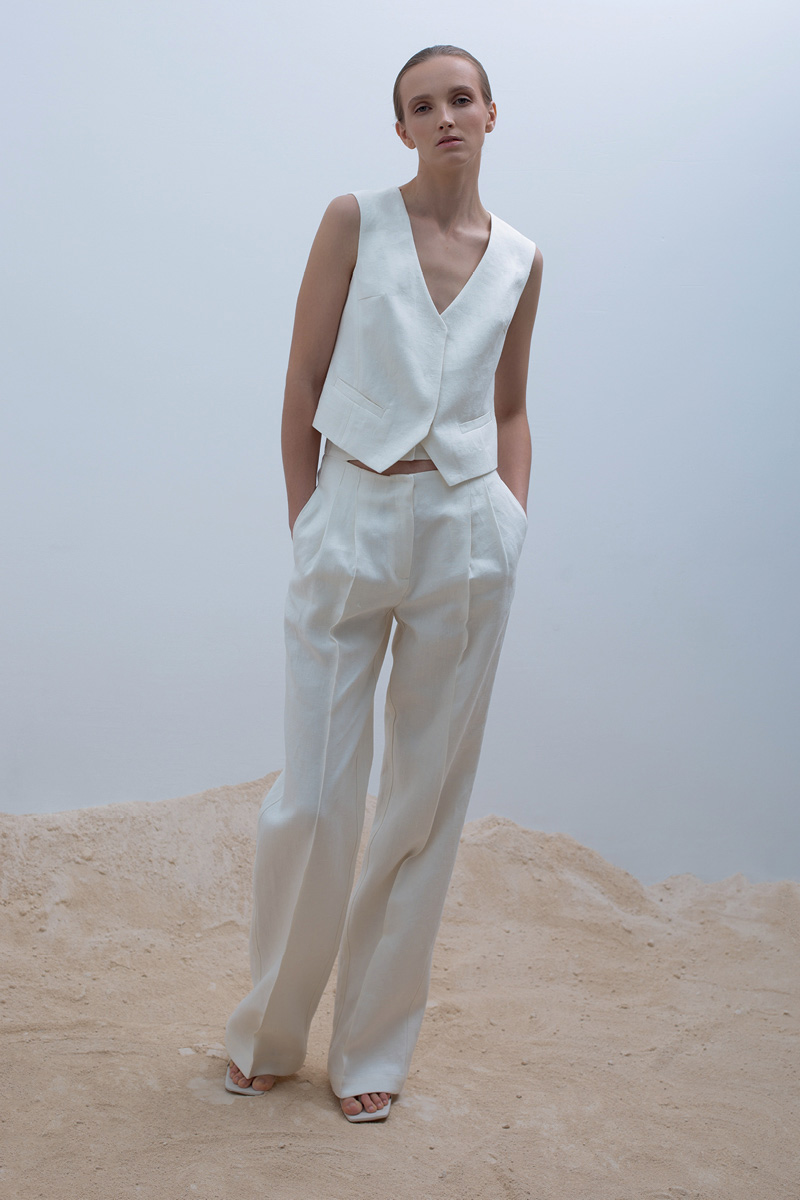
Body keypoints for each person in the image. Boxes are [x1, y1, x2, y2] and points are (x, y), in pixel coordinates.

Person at [224, 43, 543, 1123]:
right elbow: (303, 376)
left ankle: (370, 1050)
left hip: (466, 537)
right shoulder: (352, 222)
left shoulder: (520, 259)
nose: (443, 115)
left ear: (491, 112)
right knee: (315, 796)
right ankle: (270, 1029)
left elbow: (511, 407)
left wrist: (509, 521)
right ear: (399, 127)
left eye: (460, 98)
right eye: (421, 104)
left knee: (422, 803)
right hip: (352, 512)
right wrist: (308, 518)